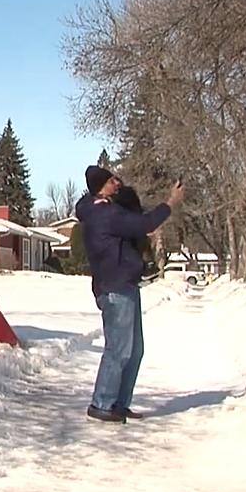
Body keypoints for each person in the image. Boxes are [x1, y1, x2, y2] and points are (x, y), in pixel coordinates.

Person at [74, 165, 185, 423]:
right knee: (119, 348)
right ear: (103, 185)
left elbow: (138, 225)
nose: (118, 184)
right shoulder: (106, 214)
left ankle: (118, 403)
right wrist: (171, 202)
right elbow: (145, 223)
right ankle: (101, 403)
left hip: (123, 286)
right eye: (114, 180)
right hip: (115, 288)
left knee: (134, 349)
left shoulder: (96, 209)